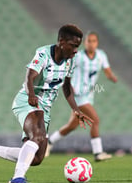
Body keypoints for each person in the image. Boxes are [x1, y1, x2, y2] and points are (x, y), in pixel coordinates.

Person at [0, 24, 93, 183]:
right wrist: (31, 95)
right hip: (28, 101)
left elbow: (67, 88)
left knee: (37, 158)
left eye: (77, 47)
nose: (76, 51)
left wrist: (76, 110)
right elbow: (29, 76)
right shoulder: (44, 53)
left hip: (44, 108)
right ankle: (17, 178)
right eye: (73, 46)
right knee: (37, 137)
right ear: (61, 41)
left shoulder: (70, 62)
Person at [46, 31, 117, 161]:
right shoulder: (78, 56)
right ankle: (98, 153)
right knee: (95, 120)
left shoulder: (101, 55)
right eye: (89, 41)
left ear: (97, 43)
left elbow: (107, 71)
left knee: (72, 126)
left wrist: (111, 77)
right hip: (78, 94)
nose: (91, 44)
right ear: (85, 43)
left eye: (94, 41)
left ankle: (49, 142)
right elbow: (67, 66)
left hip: (89, 95)